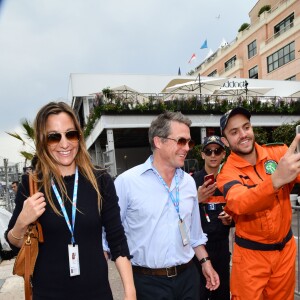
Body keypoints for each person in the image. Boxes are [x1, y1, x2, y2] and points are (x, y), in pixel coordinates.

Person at [5, 102, 136, 300]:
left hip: (97, 294)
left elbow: (117, 241)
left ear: (79, 137)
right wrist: (22, 221)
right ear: (43, 141)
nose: (64, 143)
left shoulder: (100, 180)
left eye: (71, 134)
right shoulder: (32, 183)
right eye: (54, 137)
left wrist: (130, 292)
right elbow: (13, 242)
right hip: (48, 294)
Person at [114, 111, 220, 300]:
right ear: (158, 141)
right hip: (147, 283)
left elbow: (194, 234)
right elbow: (110, 238)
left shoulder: (188, 183)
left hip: (188, 279)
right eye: (180, 141)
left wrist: (206, 263)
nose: (187, 148)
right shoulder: (126, 183)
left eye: (189, 142)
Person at [217, 107, 300, 300]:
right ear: (225, 141)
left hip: (285, 252)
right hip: (250, 257)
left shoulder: (279, 152)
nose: (243, 135)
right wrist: (276, 180)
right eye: (234, 132)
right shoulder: (226, 172)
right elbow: (240, 202)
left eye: (246, 127)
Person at [192, 135, 232, 300]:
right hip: (197, 251)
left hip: (222, 249)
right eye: (209, 151)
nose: (213, 155)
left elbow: (240, 211)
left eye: (217, 151)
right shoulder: (191, 181)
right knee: (198, 294)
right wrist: (197, 199)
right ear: (202, 155)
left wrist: (231, 219)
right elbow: (178, 214)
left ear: (224, 154)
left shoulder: (230, 182)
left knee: (221, 295)